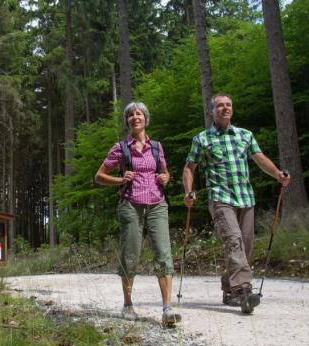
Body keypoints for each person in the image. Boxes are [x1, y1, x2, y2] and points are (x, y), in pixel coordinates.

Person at [182, 93, 291, 313]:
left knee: (245, 245)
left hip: (245, 197)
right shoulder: (202, 139)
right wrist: (188, 191)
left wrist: (278, 174)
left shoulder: (245, 135)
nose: (225, 108)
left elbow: (259, 158)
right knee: (234, 240)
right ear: (212, 111)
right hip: (220, 198)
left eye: (228, 105)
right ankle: (243, 291)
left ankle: (229, 288)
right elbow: (189, 168)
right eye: (220, 106)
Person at [95, 101, 180, 325]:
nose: (135, 117)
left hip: (157, 204)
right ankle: (128, 305)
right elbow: (99, 176)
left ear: (146, 118)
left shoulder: (156, 147)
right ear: (127, 121)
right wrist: (120, 180)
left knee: (163, 254)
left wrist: (166, 177)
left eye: (139, 113)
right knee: (130, 255)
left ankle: (167, 310)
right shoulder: (121, 148)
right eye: (131, 115)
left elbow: (165, 173)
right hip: (130, 204)